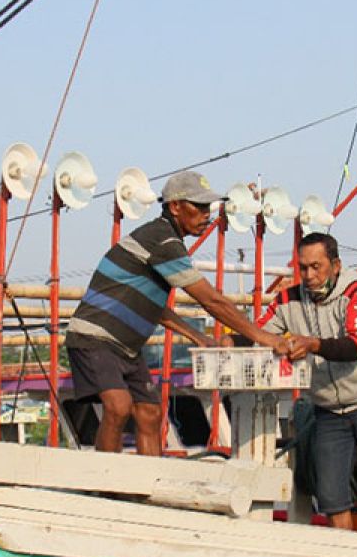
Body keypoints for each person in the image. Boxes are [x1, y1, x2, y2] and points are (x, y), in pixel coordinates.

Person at [65, 170, 288, 456]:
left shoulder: (166, 241)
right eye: (199, 207)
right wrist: (264, 337)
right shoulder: (163, 241)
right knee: (118, 407)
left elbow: (153, 307)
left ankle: (149, 484)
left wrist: (196, 336)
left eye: (208, 207)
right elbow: (213, 302)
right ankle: (108, 485)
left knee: (150, 413)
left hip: (126, 348)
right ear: (175, 207)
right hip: (95, 338)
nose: (206, 214)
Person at [254, 232, 357, 540]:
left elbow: (356, 345)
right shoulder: (288, 300)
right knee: (330, 494)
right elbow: (260, 332)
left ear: (336, 265)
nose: (309, 276)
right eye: (303, 268)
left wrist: (312, 344)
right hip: (328, 410)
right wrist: (230, 339)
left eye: (317, 267)